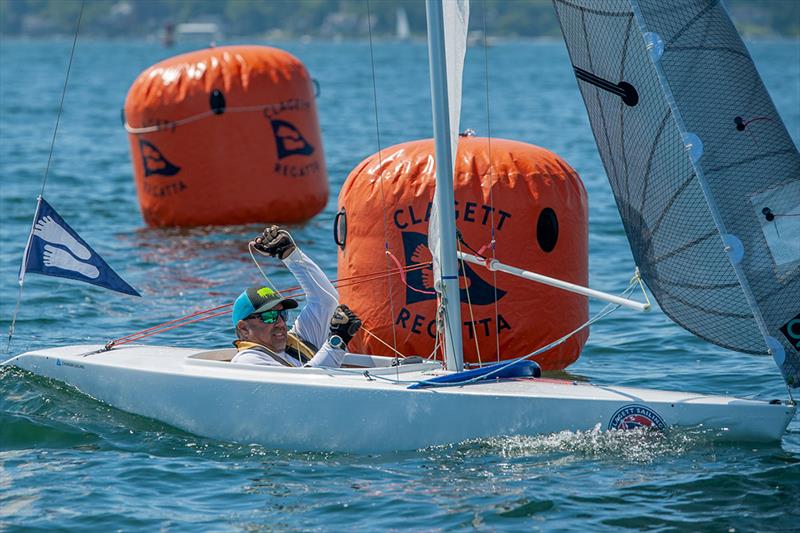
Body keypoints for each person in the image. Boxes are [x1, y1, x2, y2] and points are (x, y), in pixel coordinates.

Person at [230, 226, 361, 368]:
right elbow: (306, 385)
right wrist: (337, 340)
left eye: (282, 314)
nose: (280, 323)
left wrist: (289, 254)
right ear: (243, 328)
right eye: (270, 316)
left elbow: (326, 301)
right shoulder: (248, 361)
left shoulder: (297, 341)